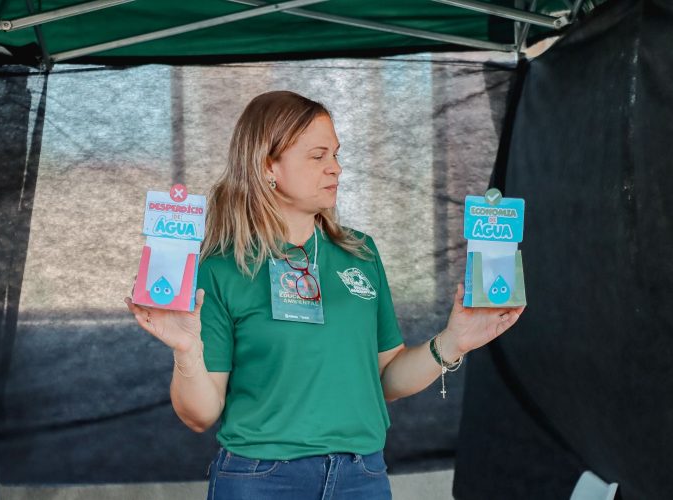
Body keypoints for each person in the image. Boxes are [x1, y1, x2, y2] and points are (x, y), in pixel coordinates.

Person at [125, 90, 524, 499]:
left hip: (361, 477)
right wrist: (186, 350)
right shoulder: (221, 268)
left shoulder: (361, 253)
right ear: (268, 166)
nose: (336, 167)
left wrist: (453, 342)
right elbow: (201, 415)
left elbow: (387, 378)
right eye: (318, 156)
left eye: (335, 154)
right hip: (262, 480)